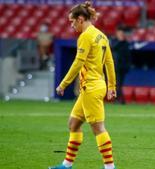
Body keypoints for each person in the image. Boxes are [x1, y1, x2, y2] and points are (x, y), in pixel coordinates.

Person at [49, 1, 117, 169]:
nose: (71, 25)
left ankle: (110, 167)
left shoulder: (85, 36)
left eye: (72, 21)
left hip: (91, 88)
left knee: (98, 128)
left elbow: (78, 63)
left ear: (80, 19)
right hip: (94, 86)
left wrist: (63, 84)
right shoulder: (101, 35)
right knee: (73, 123)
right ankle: (67, 164)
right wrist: (111, 86)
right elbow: (109, 62)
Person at [111, 26, 131, 103]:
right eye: (119, 33)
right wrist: (120, 41)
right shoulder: (114, 41)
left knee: (119, 84)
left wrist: (127, 66)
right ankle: (119, 99)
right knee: (116, 84)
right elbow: (113, 48)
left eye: (122, 33)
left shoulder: (125, 43)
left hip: (122, 67)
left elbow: (128, 55)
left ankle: (119, 100)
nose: (121, 34)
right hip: (114, 67)